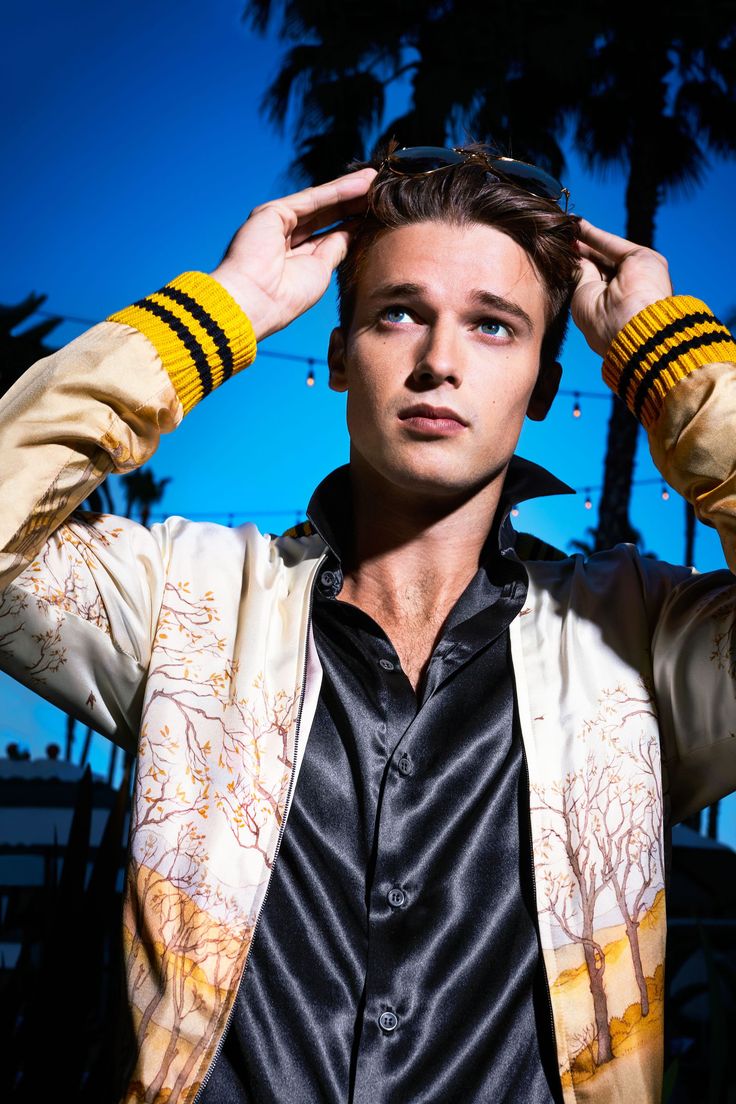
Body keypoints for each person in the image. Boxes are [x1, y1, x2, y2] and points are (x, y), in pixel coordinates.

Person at [1, 145, 735, 1104]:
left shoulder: (641, 638)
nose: (438, 362)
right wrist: (223, 307)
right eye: (401, 314)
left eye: (494, 327)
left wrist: (669, 359)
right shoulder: (191, 597)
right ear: (342, 356)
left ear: (546, 389)